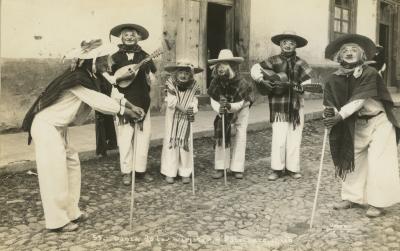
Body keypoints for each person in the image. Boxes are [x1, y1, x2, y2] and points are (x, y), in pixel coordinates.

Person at [21, 39, 145, 232]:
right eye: (104, 60)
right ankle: (57, 221)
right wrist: (125, 112)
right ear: (93, 61)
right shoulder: (77, 79)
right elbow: (98, 101)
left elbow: (112, 94)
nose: (109, 63)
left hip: (58, 128)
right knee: (54, 172)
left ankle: (71, 211)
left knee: (71, 164)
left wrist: (131, 105)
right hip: (45, 126)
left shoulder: (93, 77)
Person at [323, 33, 400, 217]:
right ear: (339, 56)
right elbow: (330, 101)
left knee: (379, 161)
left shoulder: (370, 73)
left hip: (379, 121)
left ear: (362, 55)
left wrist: (339, 116)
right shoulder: (334, 78)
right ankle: (352, 197)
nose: (349, 53)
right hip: (356, 123)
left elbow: (359, 100)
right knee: (352, 157)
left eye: (354, 50)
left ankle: (378, 203)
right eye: (345, 51)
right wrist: (329, 112)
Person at [250, 31, 313, 181]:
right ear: (280, 44)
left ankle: (292, 169)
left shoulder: (301, 63)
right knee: (279, 138)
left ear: (296, 45)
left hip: (296, 106)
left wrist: (302, 89)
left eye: (291, 43)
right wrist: (262, 80)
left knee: (295, 138)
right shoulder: (272, 60)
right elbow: (255, 69)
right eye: (285, 42)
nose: (288, 45)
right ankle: (277, 169)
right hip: (278, 106)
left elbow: (308, 83)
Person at [107, 23, 157, 185]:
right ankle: (126, 171)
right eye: (126, 34)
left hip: (142, 99)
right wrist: (119, 78)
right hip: (124, 101)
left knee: (143, 136)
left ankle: (140, 170)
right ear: (121, 37)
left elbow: (152, 75)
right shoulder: (114, 57)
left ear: (138, 37)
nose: (129, 37)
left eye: (132, 34)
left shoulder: (145, 55)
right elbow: (109, 79)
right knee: (124, 137)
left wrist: (151, 79)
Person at [207, 49, 254, 179]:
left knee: (241, 134)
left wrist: (229, 106)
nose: (220, 68)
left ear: (231, 66)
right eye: (219, 66)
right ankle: (220, 167)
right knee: (221, 132)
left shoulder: (241, 82)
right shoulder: (215, 81)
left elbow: (240, 103)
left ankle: (237, 168)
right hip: (224, 108)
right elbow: (212, 98)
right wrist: (219, 109)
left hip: (241, 107)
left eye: (224, 65)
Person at [161, 60, 202, 184]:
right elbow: (171, 101)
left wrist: (192, 110)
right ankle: (170, 171)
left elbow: (195, 101)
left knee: (186, 143)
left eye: (186, 73)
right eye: (181, 72)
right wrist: (185, 110)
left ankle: (185, 171)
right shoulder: (170, 83)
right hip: (173, 116)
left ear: (190, 74)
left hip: (186, 118)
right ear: (176, 73)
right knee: (171, 141)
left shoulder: (194, 85)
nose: (183, 75)